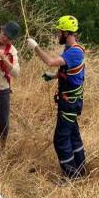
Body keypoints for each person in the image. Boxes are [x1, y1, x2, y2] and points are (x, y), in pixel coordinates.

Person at [27, 15, 86, 179]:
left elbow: (51, 61)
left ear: (67, 33)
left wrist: (36, 47)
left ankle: (71, 176)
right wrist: (53, 76)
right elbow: (72, 73)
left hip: (69, 103)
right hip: (71, 101)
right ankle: (80, 170)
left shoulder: (74, 52)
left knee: (60, 140)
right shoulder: (71, 50)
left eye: (59, 32)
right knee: (73, 135)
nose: (57, 35)